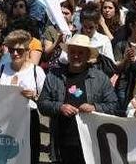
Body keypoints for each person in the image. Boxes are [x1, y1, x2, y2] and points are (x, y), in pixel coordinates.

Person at [38, 34, 118, 164]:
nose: (76, 56)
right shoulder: (54, 76)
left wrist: (95, 108)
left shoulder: (100, 78)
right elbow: (42, 104)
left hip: (91, 143)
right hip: (62, 142)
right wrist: (60, 107)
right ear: (68, 54)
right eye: (73, 52)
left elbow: (114, 106)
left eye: (81, 52)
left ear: (88, 56)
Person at [0, 29, 46, 163]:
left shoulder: (36, 71)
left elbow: (45, 101)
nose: (15, 53)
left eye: (19, 50)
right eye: (11, 50)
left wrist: (34, 95)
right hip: (3, 119)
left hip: (28, 119)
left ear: (27, 50)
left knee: (29, 157)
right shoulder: (1, 68)